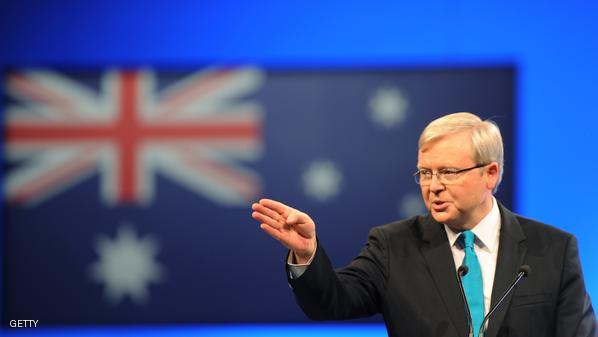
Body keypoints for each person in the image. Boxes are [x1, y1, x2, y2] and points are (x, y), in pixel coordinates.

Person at [251, 112, 597, 337]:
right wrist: (307, 254)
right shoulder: (393, 245)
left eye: (448, 172)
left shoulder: (552, 249)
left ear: (490, 173)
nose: (433, 186)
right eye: (425, 173)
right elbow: (332, 302)